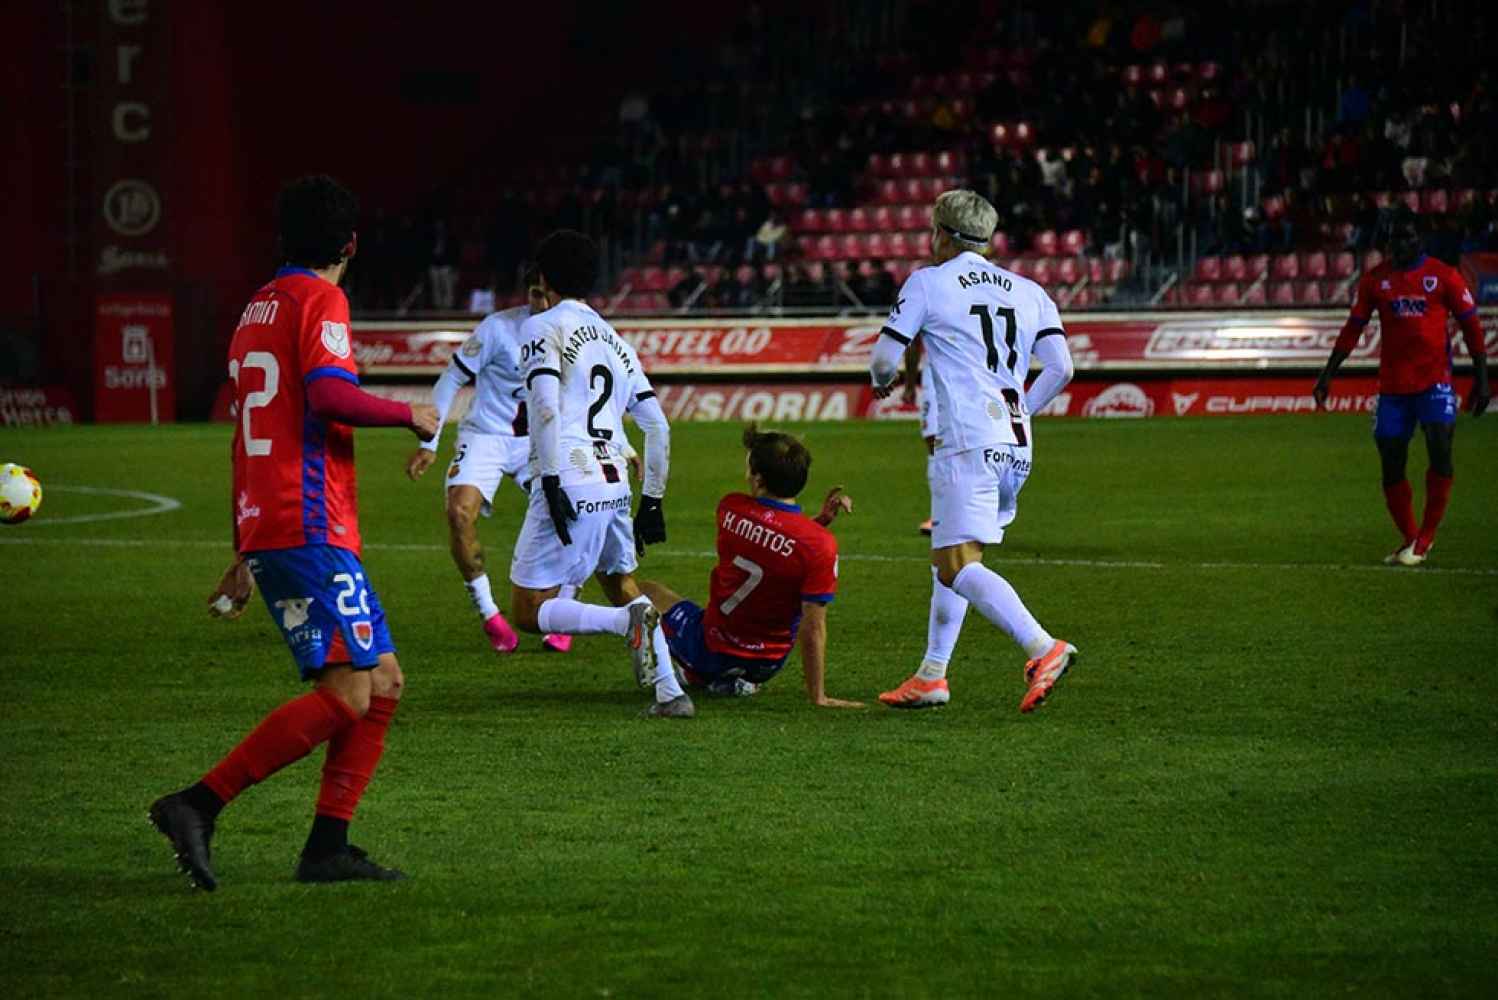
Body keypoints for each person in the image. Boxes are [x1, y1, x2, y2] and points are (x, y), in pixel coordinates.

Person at [149, 175, 441, 889]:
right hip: (307, 518)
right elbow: (328, 395)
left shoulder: (257, 308)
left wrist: (242, 549)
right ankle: (197, 802)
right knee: (348, 692)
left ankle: (327, 848)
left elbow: (249, 434)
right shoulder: (321, 297)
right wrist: (410, 414)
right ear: (350, 243)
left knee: (385, 680)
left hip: (279, 517)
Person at [868, 189, 1077, 713]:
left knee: (957, 561)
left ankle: (1041, 646)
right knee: (956, 552)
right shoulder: (1030, 291)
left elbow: (884, 356)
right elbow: (1062, 368)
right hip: (1016, 441)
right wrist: (1022, 409)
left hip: (965, 437)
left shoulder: (928, 281)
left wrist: (881, 381)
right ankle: (932, 675)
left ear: (942, 233)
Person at [508, 229, 692, 718]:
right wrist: (651, 499)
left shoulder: (541, 327)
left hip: (568, 474)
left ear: (544, 277)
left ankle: (625, 626)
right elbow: (658, 425)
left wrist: (549, 479)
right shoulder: (615, 340)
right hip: (615, 482)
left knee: (528, 610)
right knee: (620, 582)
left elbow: (546, 407)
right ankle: (671, 691)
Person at [405, 268, 575, 655]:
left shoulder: (573, 334)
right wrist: (430, 441)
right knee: (459, 514)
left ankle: (564, 607)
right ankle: (491, 616)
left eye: (550, 295)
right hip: (486, 436)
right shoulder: (497, 329)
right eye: (536, 294)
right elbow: (451, 380)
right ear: (527, 292)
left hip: (539, 442)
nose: (542, 304)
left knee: (574, 514)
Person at [637, 425, 863, 708]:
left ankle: (679, 671)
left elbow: (766, 541)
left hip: (712, 648)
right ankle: (730, 678)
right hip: (767, 663)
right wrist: (818, 696)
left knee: (643, 590)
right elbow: (812, 623)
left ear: (758, 479)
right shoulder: (819, 544)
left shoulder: (730, 508)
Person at [1313, 206, 1489, 565]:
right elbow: (1353, 329)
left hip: (1435, 383)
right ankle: (1411, 537)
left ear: (1419, 239)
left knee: (1441, 449)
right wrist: (1327, 375)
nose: (1399, 245)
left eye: (1406, 238)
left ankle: (1425, 538)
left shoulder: (1443, 276)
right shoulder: (1376, 280)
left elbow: (1472, 328)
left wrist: (1482, 380)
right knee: (1391, 465)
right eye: (1393, 238)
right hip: (1393, 390)